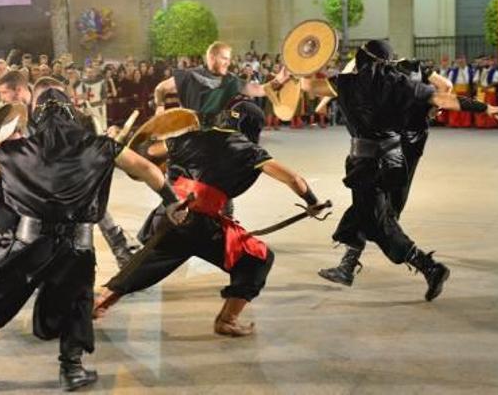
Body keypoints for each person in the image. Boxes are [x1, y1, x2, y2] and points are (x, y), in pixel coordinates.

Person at [0, 81, 174, 391]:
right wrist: (172, 201)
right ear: (73, 113)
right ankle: (71, 370)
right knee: (77, 302)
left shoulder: (17, 151)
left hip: (30, 242)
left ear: (36, 116)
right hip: (78, 245)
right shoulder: (102, 146)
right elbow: (148, 169)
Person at [94, 102, 325, 336]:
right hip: (201, 224)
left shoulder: (189, 137)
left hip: (168, 216)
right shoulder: (251, 151)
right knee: (257, 259)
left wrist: (143, 138)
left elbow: (148, 153)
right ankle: (227, 320)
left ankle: (97, 304)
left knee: (141, 267)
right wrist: (312, 201)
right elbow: (293, 179)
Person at [317, 40, 498, 301]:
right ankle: (348, 265)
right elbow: (444, 96)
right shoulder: (403, 82)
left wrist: (306, 63)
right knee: (370, 213)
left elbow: (307, 85)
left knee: (378, 220)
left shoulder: (348, 82)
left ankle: (430, 267)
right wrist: (486, 107)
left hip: (366, 161)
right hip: (394, 157)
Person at [152, 41, 287, 127]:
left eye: (229, 59)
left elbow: (259, 90)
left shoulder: (231, 80)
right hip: (189, 133)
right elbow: (160, 88)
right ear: (211, 58)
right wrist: (159, 106)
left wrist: (279, 80)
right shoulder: (189, 75)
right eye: (224, 58)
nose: (228, 62)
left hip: (215, 133)